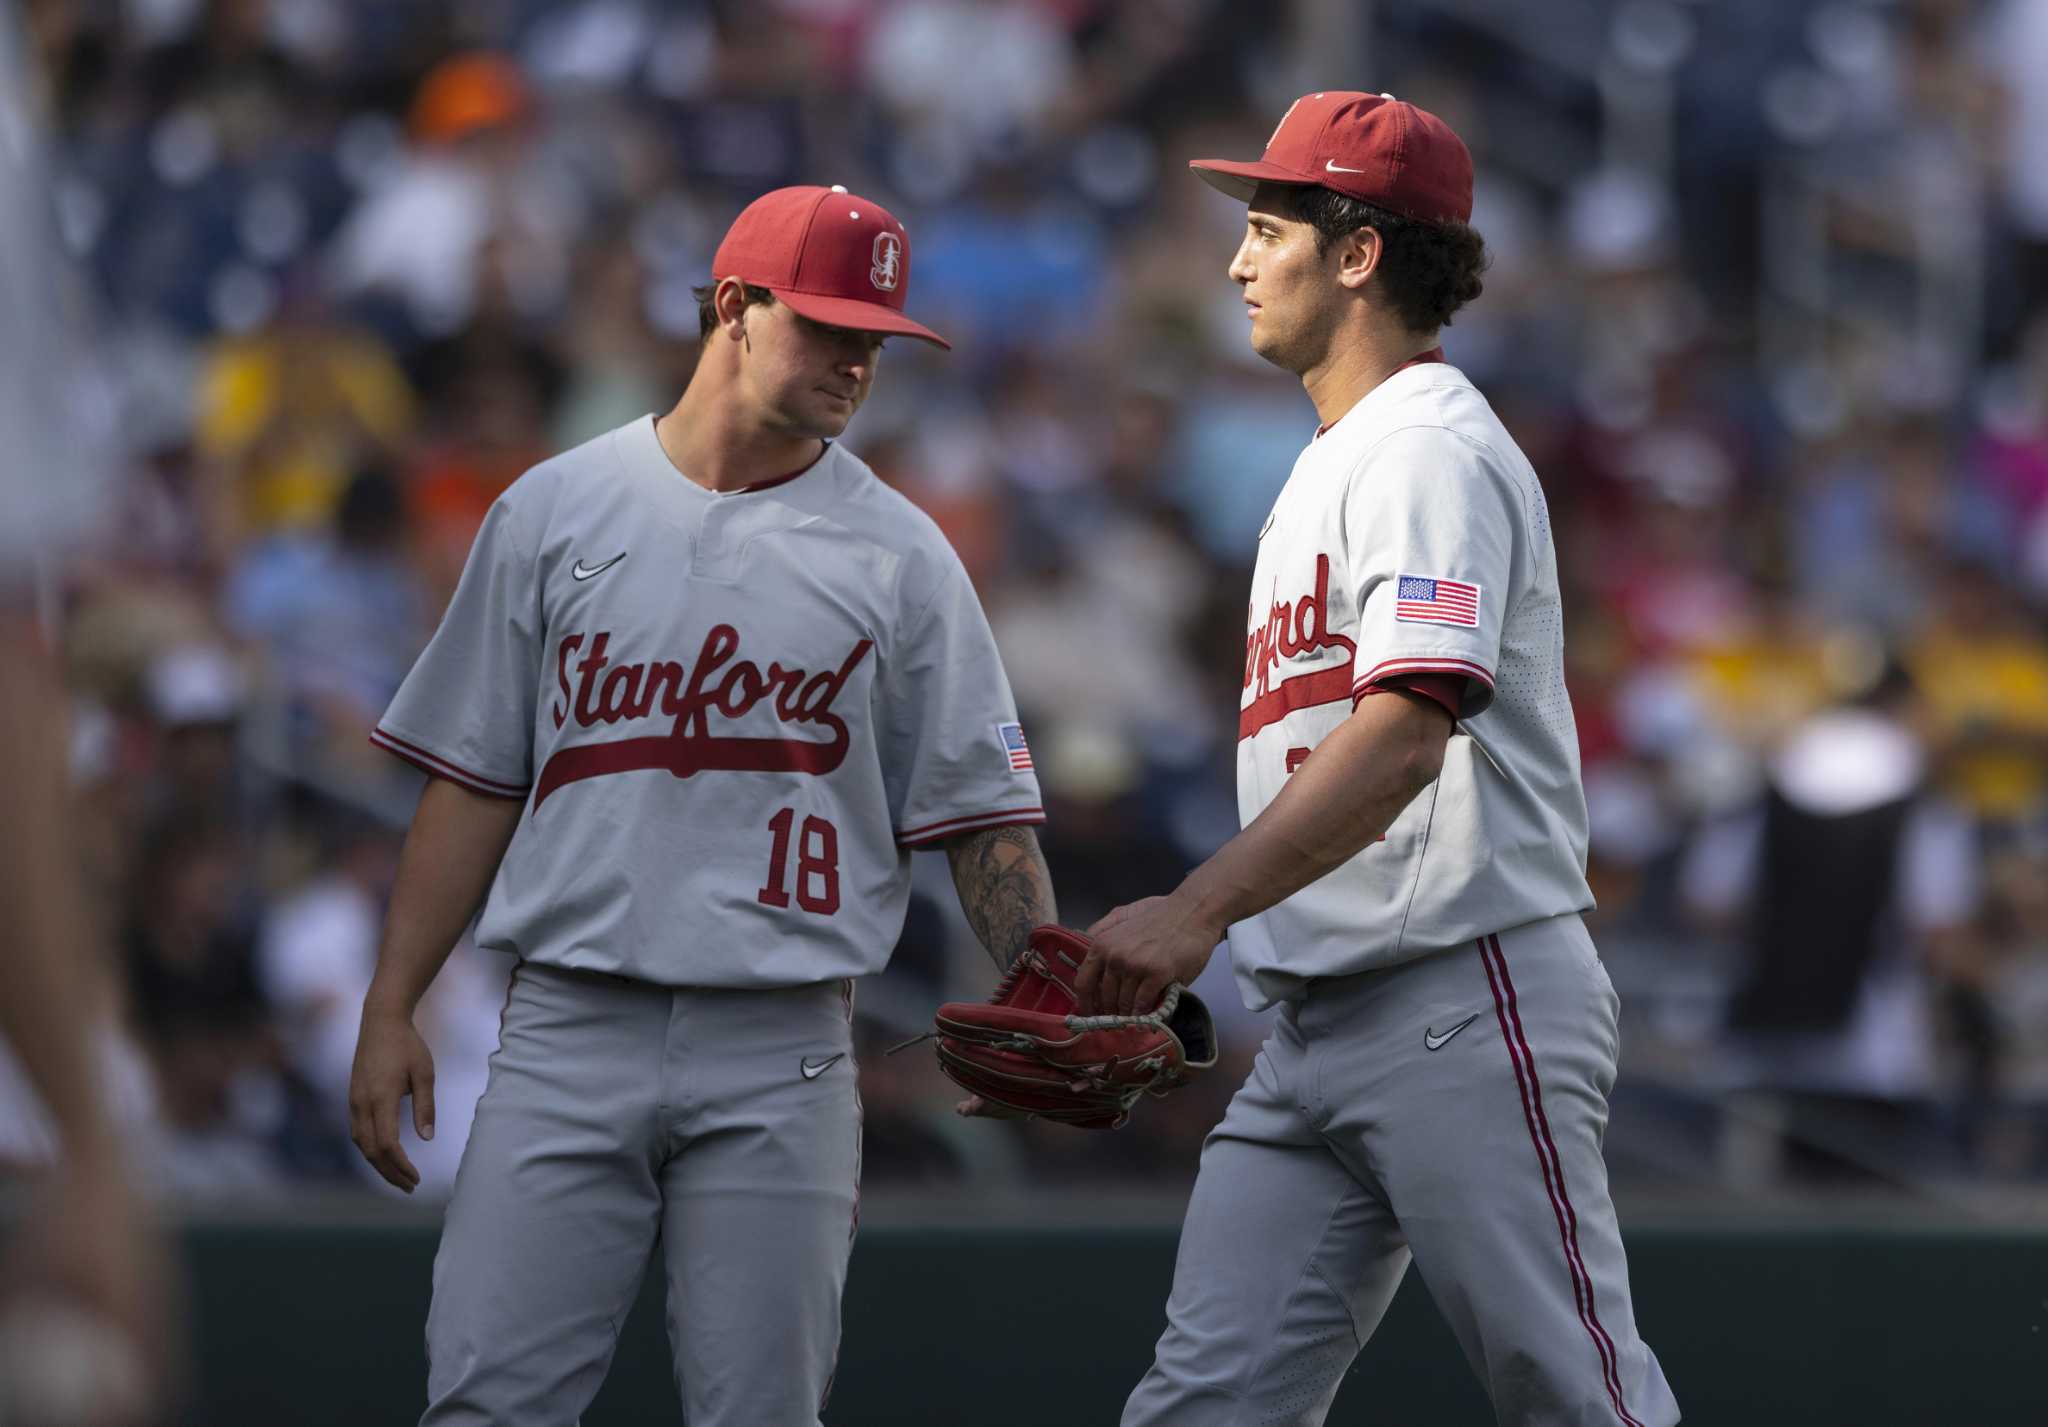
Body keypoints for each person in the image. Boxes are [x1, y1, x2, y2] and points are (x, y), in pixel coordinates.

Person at [347, 183, 1056, 1425]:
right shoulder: (554, 508)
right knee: (483, 1405)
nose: (857, 360)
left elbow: (983, 815)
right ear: (733, 306)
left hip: (777, 1042)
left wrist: (1038, 985)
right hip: (569, 1020)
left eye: (875, 338)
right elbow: (472, 783)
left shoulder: (901, 553)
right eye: (830, 326)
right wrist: (393, 998)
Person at [1075, 93, 1680, 1425]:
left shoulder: (1424, 446)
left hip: (1459, 986)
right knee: (1201, 1405)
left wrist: (1194, 908)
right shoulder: (1334, 459)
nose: (1238, 259)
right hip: (1321, 1017)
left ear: (1357, 254)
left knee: (1577, 1394)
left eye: (1269, 226)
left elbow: (1406, 731)